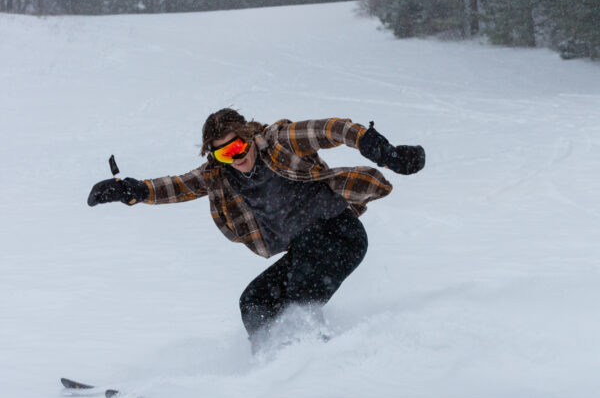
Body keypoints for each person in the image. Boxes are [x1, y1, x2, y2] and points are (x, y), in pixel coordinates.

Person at [87, 110, 425, 348]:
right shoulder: (218, 174)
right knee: (255, 301)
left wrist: (383, 151)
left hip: (340, 234)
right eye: (222, 154)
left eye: (237, 147)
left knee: (300, 294)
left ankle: (319, 362)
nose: (234, 158)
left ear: (249, 136)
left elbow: (332, 129)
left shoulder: (279, 142)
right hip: (305, 248)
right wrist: (133, 191)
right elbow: (178, 186)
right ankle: (271, 366)